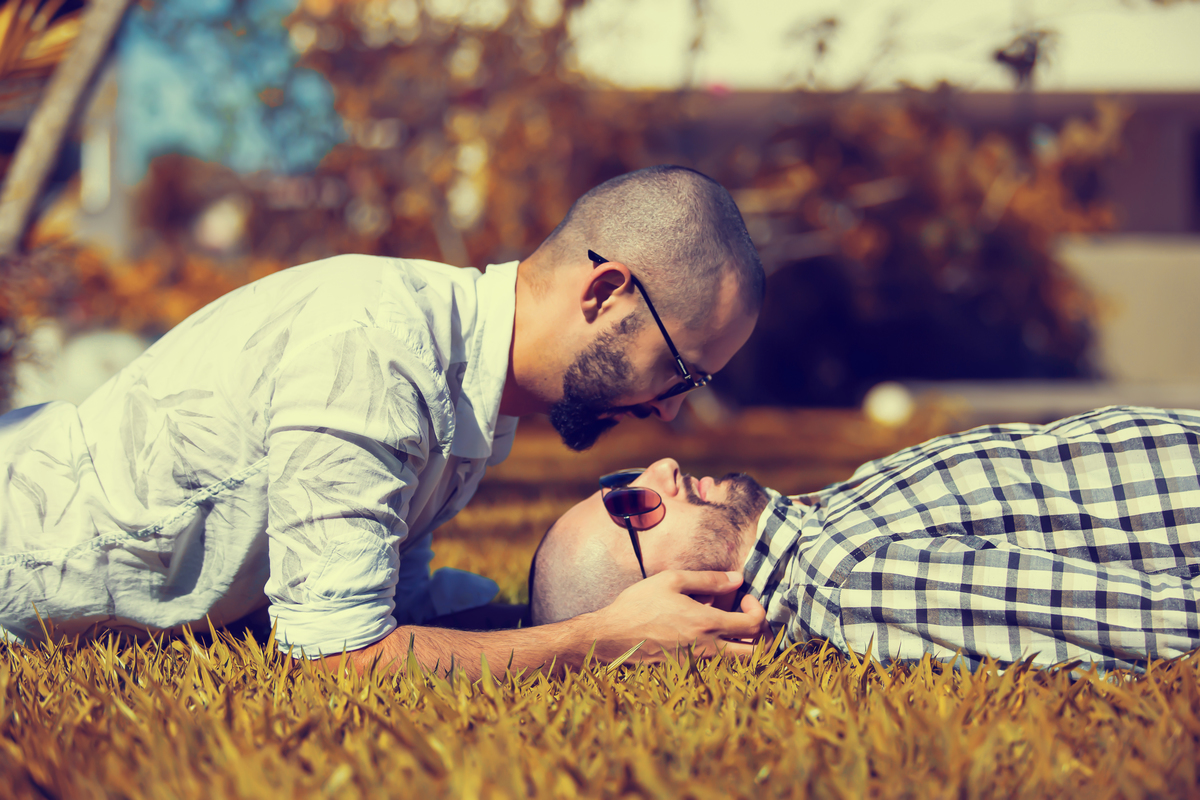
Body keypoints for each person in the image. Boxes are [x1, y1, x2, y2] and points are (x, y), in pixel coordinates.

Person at [0, 165, 769, 677]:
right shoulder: (380, 350)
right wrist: (603, 639)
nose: (671, 411)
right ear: (604, 293)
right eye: (680, 368)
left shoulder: (471, 383)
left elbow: (389, 609)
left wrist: (617, 609)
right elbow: (338, 655)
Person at [530, 406, 1200, 672]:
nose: (662, 467)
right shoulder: (850, 582)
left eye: (622, 478)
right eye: (632, 503)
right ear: (665, 605)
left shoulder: (831, 521)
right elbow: (1164, 626)